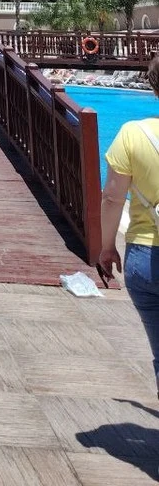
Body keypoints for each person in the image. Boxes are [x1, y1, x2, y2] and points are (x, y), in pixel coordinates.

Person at [99, 55, 159, 395]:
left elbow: (111, 199)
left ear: (152, 87)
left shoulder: (132, 134)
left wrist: (108, 247)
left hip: (146, 257)